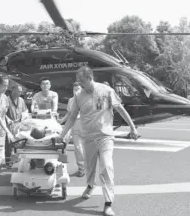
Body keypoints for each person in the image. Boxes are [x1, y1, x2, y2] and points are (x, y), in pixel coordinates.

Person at [59, 66, 139, 216]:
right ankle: (90, 185)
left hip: (105, 136)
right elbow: (71, 117)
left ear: (90, 78)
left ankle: (108, 203)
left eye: (82, 81)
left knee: (107, 166)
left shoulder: (106, 91)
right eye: (78, 81)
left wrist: (132, 128)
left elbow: (120, 109)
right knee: (90, 167)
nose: (80, 84)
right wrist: (61, 135)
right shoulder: (78, 96)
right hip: (88, 136)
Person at [58, 82, 84, 177]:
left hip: (86, 125)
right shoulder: (71, 101)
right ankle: (82, 169)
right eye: (74, 90)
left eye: (78, 89)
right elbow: (69, 114)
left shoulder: (87, 99)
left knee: (87, 148)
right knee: (78, 148)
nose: (76, 91)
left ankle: (87, 167)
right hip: (75, 124)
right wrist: (61, 121)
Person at [5, 84, 29, 168]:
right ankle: (8, 161)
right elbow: (3, 113)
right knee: (9, 144)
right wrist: (8, 120)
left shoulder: (21, 100)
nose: (20, 92)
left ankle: (17, 158)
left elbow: (25, 110)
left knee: (19, 143)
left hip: (19, 124)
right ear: (13, 90)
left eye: (21, 91)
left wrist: (24, 116)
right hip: (9, 125)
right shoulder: (6, 100)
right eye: (19, 91)